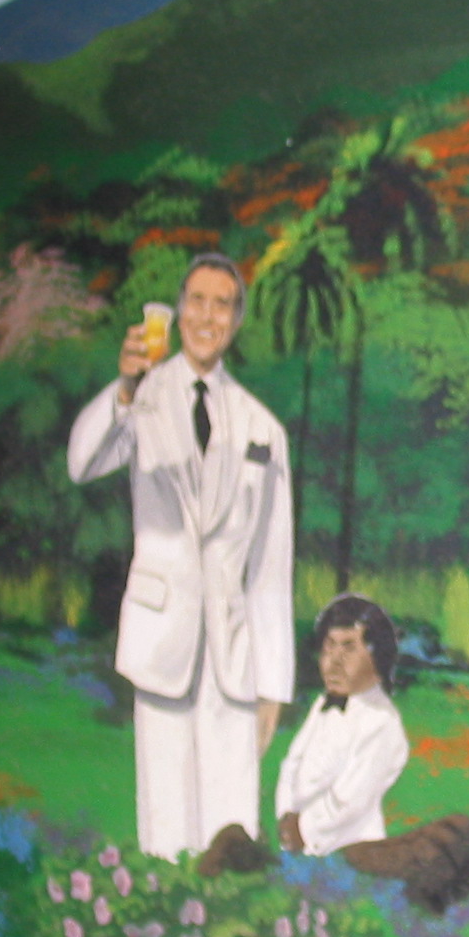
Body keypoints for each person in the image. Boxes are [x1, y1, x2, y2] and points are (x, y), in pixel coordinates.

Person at [67, 254, 294, 858]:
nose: (207, 317)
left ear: (236, 321)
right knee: (165, 817)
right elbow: (82, 462)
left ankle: (227, 909)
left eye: (222, 305)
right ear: (177, 309)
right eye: (197, 301)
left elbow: (272, 566)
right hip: (162, 639)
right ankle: (162, 906)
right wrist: (124, 388)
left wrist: (274, 683)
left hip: (233, 653)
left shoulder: (263, 428)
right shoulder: (141, 401)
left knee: (231, 822)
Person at [276, 595, 410, 856]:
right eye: (328, 648)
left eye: (349, 648)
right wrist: (285, 814)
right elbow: (292, 763)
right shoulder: (322, 704)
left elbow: (350, 801)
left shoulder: (381, 721)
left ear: (378, 657)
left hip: (351, 851)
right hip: (301, 847)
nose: (334, 661)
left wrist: (302, 829)